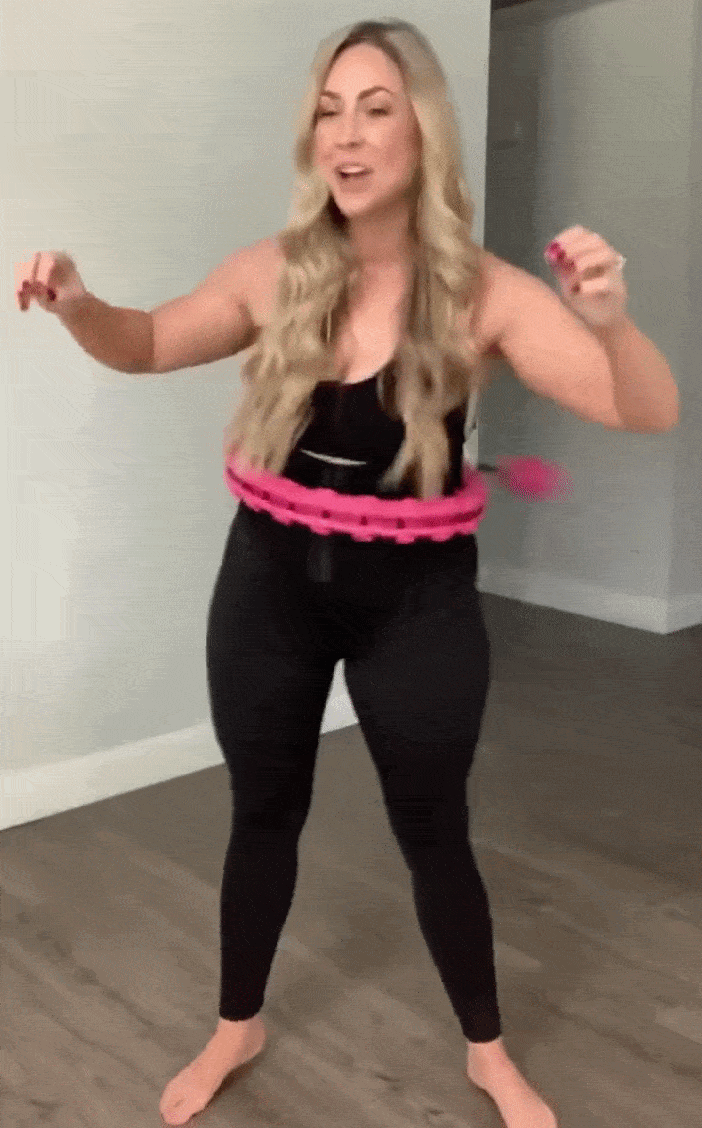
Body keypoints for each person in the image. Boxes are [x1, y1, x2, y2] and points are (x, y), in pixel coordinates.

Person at [14, 19, 678, 1128]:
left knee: (433, 828)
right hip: (268, 588)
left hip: (415, 604)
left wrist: (610, 325)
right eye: (330, 112)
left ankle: (488, 1051)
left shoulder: (486, 296)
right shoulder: (272, 272)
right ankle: (238, 1022)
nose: (348, 135)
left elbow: (644, 408)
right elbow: (149, 342)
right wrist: (79, 302)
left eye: (376, 109)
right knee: (263, 812)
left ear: (423, 133)